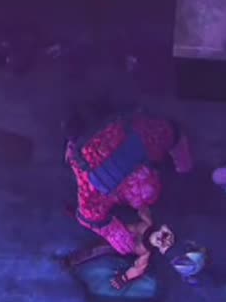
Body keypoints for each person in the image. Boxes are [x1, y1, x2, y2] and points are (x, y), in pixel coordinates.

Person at [63, 106, 193, 289]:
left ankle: (77, 255)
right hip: (114, 180)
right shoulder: (144, 209)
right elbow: (170, 133)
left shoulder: (144, 245)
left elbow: (138, 267)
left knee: (104, 241)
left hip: (118, 189)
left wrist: (124, 277)